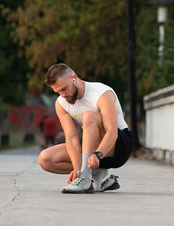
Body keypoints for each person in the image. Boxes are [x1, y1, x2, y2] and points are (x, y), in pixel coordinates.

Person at [38, 63, 134, 193]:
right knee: (45, 159)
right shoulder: (61, 103)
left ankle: (86, 177)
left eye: (64, 89)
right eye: (58, 92)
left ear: (74, 78)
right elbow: (71, 139)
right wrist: (78, 170)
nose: (63, 95)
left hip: (118, 147)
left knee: (89, 116)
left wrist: (98, 155)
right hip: (91, 151)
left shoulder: (101, 93)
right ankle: (94, 175)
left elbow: (112, 132)